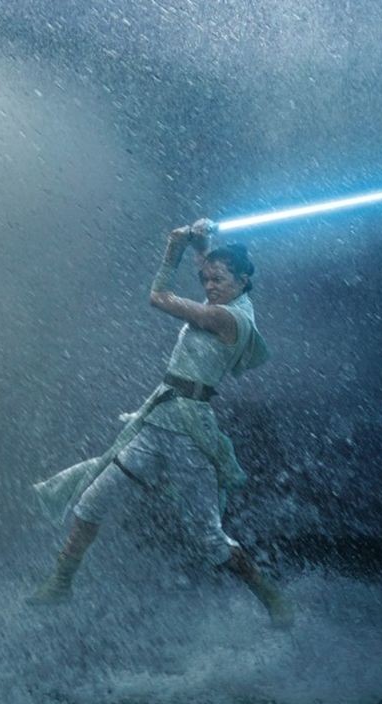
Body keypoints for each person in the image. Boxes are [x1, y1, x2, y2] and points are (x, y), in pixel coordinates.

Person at [28, 219, 292, 628]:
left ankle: (270, 596)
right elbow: (209, 267)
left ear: (242, 281)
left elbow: (158, 297)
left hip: (189, 434)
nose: (209, 285)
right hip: (158, 422)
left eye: (218, 280)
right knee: (92, 500)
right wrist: (200, 240)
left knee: (209, 539)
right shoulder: (229, 300)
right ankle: (61, 582)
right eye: (206, 280)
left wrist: (173, 248)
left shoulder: (228, 318)